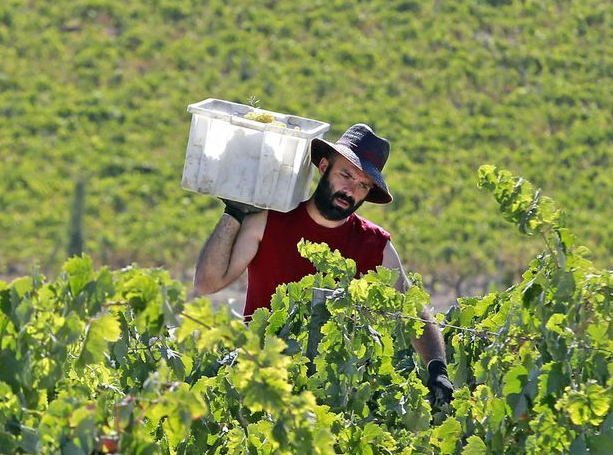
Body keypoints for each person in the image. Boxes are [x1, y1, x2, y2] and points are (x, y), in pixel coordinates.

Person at [192, 123, 454, 408]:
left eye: (363, 185)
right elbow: (207, 283)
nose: (350, 190)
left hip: (336, 400)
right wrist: (233, 212)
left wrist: (437, 368)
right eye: (346, 175)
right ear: (324, 167)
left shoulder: (375, 244)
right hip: (262, 387)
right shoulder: (269, 222)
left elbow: (413, 311)